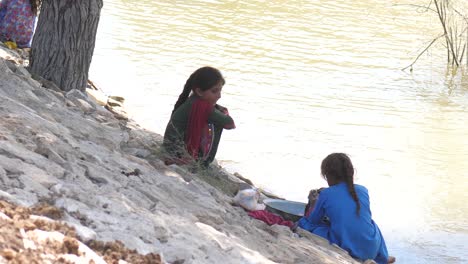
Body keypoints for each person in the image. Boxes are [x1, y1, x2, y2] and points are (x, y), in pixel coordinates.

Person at [297, 153, 395, 264]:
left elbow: (313, 221)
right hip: (371, 248)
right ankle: (383, 257)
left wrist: (311, 207)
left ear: (328, 175)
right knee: (372, 224)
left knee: (309, 226)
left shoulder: (325, 194)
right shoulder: (363, 190)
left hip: (349, 248)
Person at [163, 66, 235, 167]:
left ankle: (200, 159)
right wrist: (224, 112)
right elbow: (229, 124)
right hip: (176, 153)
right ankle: (204, 162)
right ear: (199, 92)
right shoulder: (202, 106)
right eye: (214, 91)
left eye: (220, 90)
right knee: (217, 122)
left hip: (170, 149)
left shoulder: (192, 101)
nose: (219, 96)